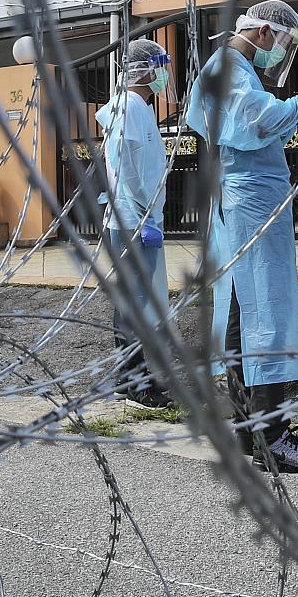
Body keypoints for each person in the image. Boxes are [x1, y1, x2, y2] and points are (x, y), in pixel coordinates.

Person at [185, 0, 298, 474]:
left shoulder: (229, 67)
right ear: (265, 33)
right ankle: (271, 434)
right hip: (251, 198)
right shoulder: (232, 67)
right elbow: (254, 124)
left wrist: (289, 113)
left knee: (242, 306)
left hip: (247, 194)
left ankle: (252, 426)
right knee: (267, 306)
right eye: (282, 42)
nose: (281, 53)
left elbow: (246, 127)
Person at [96, 39, 174, 410]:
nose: (163, 76)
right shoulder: (127, 109)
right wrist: (145, 217)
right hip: (132, 222)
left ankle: (131, 377)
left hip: (137, 219)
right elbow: (127, 171)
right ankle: (136, 383)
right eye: (160, 67)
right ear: (145, 70)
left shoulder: (138, 108)